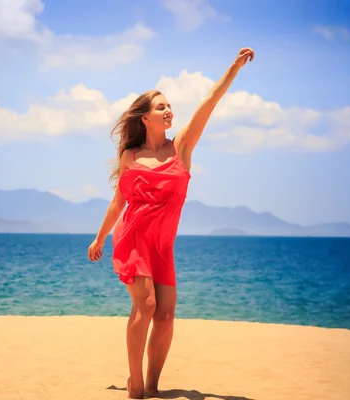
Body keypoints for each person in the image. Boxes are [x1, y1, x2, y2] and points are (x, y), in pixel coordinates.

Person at [88, 47, 255, 399]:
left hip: (163, 246)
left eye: (169, 106)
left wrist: (234, 67)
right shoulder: (130, 156)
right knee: (146, 306)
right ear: (145, 118)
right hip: (133, 238)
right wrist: (100, 238)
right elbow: (119, 200)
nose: (169, 110)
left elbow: (210, 102)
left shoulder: (181, 148)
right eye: (160, 106)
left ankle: (152, 386)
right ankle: (135, 387)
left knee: (165, 316)